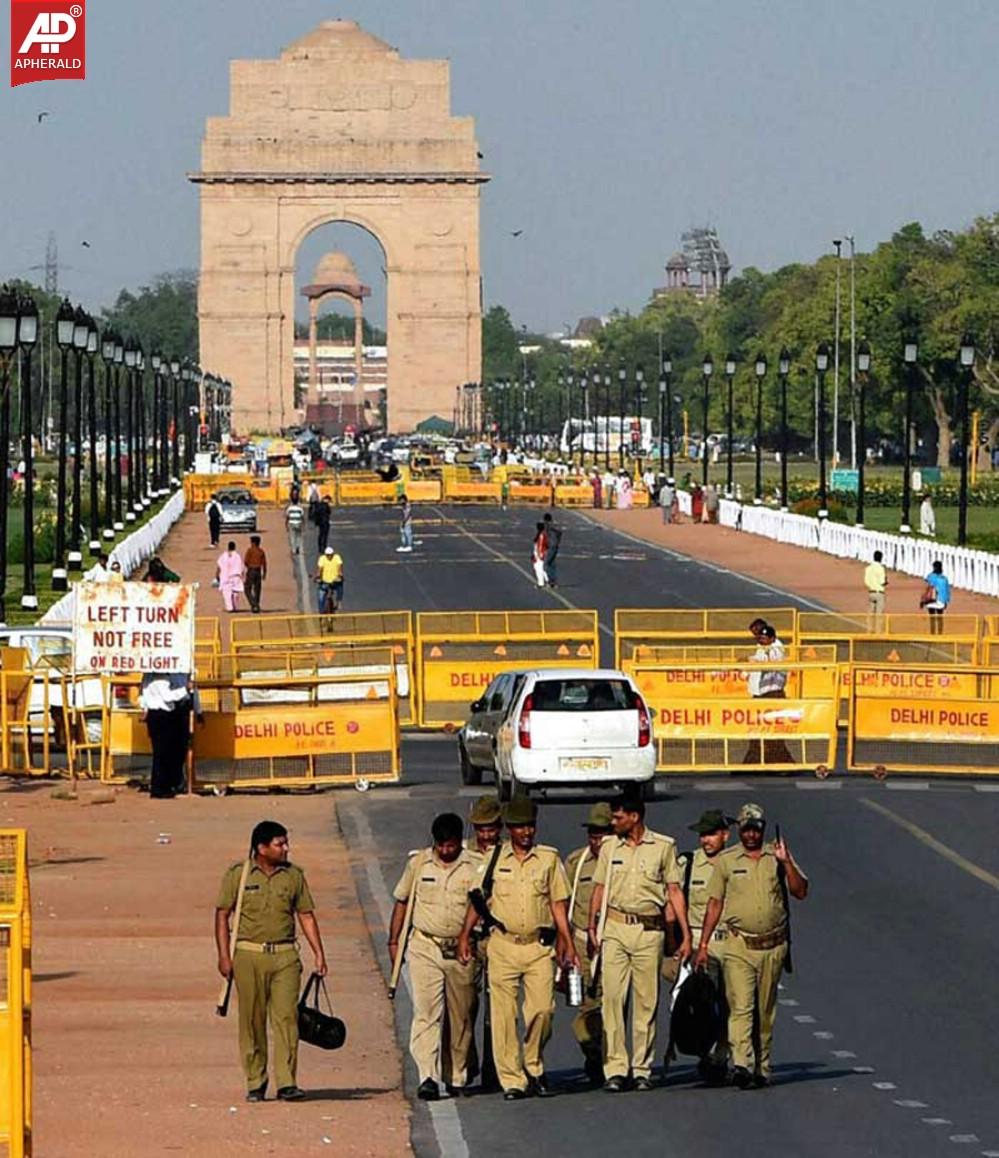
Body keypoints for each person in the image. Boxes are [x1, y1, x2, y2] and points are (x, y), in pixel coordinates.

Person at [458, 796, 577, 1101]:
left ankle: (534, 1064)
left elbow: (558, 904)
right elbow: (478, 899)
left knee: (543, 1010)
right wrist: (464, 935)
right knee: (503, 1015)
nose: (526, 832)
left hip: (538, 947)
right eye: (520, 827)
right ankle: (513, 1079)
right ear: (510, 829)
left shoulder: (549, 859)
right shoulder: (495, 859)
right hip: (504, 945)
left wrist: (568, 942)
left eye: (530, 826)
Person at [695, 802, 808, 1089]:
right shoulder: (727, 861)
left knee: (764, 1010)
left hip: (772, 945)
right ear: (739, 831)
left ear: (763, 830)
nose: (751, 835)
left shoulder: (777, 856)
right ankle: (742, 1065)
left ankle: (762, 1066)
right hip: (739, 944)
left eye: (755, 829)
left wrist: (786, 862)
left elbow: (800, 891)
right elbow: (714, 903)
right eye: (746, 829)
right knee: (740, 1006)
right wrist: (704, 943)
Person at [215, 821, 328, 1103]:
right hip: (248, 955)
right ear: (261, 848)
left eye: (286, 842)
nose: (286, 848)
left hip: (285, 956)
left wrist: (318, 953)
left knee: (287, 1018)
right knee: (252, 1020)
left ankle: (287, 1082)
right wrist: (223, 956)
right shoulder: (237, 876)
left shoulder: (294, 876)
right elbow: (221, 915)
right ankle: (256, 1081)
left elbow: (305, 915)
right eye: (280, 844)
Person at [587, 791, 690, 1092]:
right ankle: (615, 1069)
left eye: (618, 817)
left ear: (634, 817)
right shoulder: (609, 847)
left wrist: (686, 935)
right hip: (615, 928)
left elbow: (674, 891)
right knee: (613, 1000)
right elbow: (599, 888)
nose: (613, 822)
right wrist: (593, 926)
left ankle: (642, 1068)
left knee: (646, 1001)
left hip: (648, 930)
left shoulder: (663, 846)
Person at [389, 813, 481, 1101]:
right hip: (424, 946)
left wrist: (467, 936)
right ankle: (427, 1075)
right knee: (427, 1013)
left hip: (460, 949)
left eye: (450, 846)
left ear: (459, 842)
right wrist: (394, 942)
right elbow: (403, 901)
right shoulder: (418, 864)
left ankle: (456, 1074)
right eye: (440, 846)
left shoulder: (474, 866)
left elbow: (480, 904)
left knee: (461, 1014)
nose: (445, 851)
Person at [681, 809, 733, 1082]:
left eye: (711, 834)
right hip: (702, 943)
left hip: (733, 941)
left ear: (725, 834)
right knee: (704, 1002)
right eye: (703, 835)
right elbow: (676, 901)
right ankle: (708, 1054)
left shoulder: (737, 862)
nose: (706, 840)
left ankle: (724, 1055)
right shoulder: (688, 863)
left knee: (733, 1004)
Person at [564, 802, 613, 1086]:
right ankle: (593, 1052)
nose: (597, 841)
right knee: (585, 1008)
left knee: (612, 1006)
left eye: (602, 835)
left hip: (613, 944)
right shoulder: (576, 862)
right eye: (593, 835)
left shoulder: (620, 861)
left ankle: (612, 1061)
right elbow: (563, 904)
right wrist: (566, 948)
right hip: (582, 944)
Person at [139, 671, 200, 798]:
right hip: (162, 713)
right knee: (163, 753)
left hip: (160, 713)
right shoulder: (159, 676)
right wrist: (185, 689)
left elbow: (142, 692)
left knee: (165, 752)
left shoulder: (148, 675)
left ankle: (167, 785)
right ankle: (160, 788)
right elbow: (167, 696)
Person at [744, 620, 793, 766]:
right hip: (759, 695)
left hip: (772, 694)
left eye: (761, 635)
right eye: (757, 636)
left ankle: (784, 764)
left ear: (771, 637)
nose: (758, 637)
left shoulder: (776, 649)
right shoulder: (762, 647)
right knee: (754, 731)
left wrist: (749, 660)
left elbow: (767, 660)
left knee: (773, 733)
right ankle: (752, 762)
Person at [921, 559, 951, 635]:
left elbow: (929, 589)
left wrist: (923, 600)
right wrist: (947, 601)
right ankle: (940, 633)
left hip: (935, 600)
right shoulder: (945, 578)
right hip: (943, 601)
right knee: (940, 617)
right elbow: (948, 590)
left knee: (932, 617)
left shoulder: (932, 576)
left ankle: (933, 633)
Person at [216, 541, 245, 613]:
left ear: (228, 547)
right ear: (234, 547)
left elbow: (219, 567)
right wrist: (243, 575)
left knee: (227, 593)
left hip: (225, 577)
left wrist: (217, 575)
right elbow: (241, 567)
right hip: (235, 577)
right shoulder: (237, 556)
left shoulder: (223, 556)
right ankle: (235, 607)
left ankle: (230, 608)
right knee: (235, 593)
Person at [864, 550, 888, 632]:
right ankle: (878, 631)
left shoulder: (868, 568)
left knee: (870, 613)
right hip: (879, 592)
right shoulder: (881, 568)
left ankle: (869, 630)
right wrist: (885, 581)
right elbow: (882, 582)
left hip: (871, 591)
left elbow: (866, 581)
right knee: (879, 614)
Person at [315, 545, 344, 613]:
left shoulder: (337, 557)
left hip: (335, 581)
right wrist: (318, 577)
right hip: (324, 581)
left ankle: (338, 602)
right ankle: (321, 613)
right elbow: (320, 569)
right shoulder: (322, 559)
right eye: (327, 555)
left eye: (330, 555)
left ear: (333, 554)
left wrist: (340, 574)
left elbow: (339, 567)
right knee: (321, 597)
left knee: (340, 586)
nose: (329, 556)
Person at [243, 536, 268, 614]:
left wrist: (249, 568)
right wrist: (264, 573)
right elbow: (264, 563)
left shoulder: (250, 551)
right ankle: (256, 605)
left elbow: (246, 561)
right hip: (258, 571)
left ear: (253, 543)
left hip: (251, 570)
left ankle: (254, 604)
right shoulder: (261, 551)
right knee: (257, 589)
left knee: (247, 589)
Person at [542, 512, 562, 588]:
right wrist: (558, 541)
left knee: (546, 564)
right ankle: (554, 581)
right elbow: (560, 533)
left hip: (551, 546)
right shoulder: (553, 526)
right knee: (552, 564)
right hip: (555, 546)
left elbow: (545, 535)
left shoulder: (547, 526)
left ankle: (550, 581)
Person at [531, 522, 548, 587]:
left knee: (539, 568)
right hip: (537, 553)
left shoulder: (541, 535)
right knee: (538, 567)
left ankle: (541, 583)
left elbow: (540, 546)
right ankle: (547, 580)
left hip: (540, 554)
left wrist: (539, 554)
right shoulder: (540, 534)